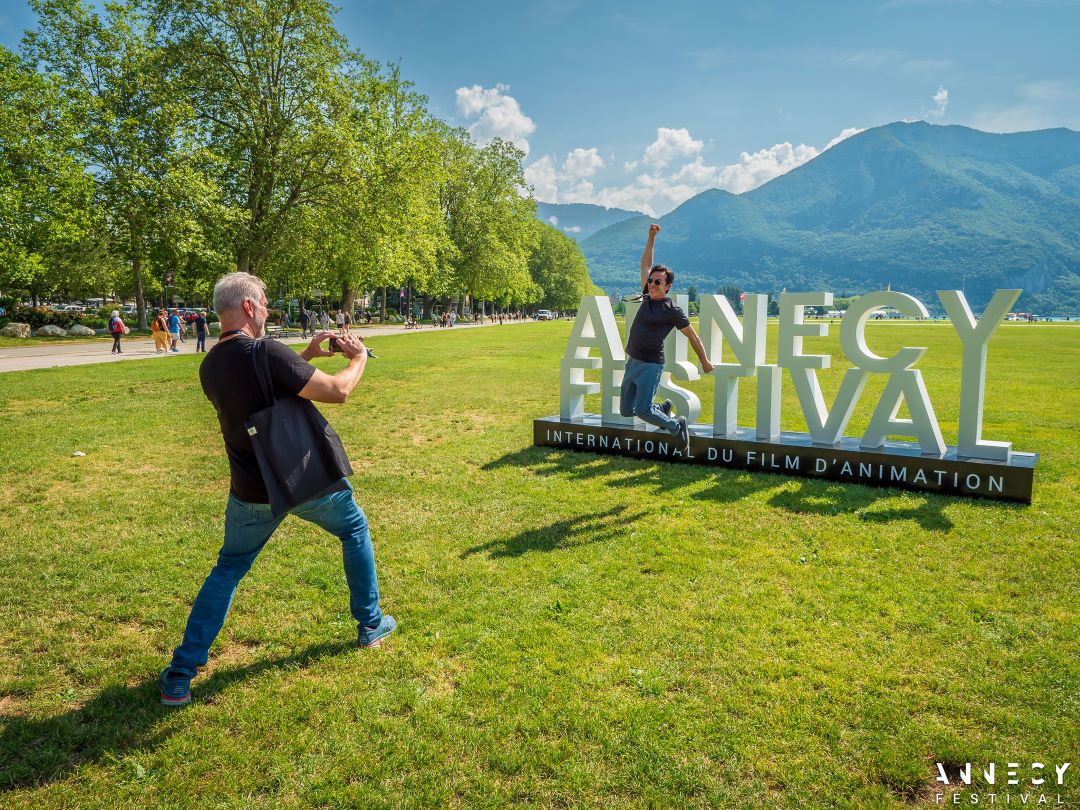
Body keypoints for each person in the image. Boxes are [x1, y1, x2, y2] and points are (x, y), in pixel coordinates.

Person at [159, 271, 395, 708]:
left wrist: (302, 354)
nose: (267, 309)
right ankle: (370, 625)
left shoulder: (210, 364)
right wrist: (358, 357)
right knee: (354, 529)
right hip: (303, 479)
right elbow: (338, 391)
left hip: (250, 488)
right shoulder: (267, 352)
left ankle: (181, 673)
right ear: (249, 307)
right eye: (264, 302)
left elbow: (265, 392)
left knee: (228, 569)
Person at [620, 223, 714, 452]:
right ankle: (661, 410)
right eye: (651, 281)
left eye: (658, 282)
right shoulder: (648, 296)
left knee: (642, 410)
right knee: (625, 410)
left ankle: (676, 426)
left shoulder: (672, 310)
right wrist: (651, 236)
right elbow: (646, 263)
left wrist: (704, 361)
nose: (652, 284)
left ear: (667, 286)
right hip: (632, 361)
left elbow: (693, 336)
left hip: (651, 365)